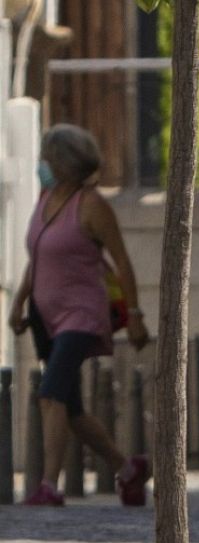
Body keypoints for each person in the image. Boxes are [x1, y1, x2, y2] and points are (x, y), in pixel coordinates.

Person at [7, 124, 150, 507]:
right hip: (44, 315)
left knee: (50, 391)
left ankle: (48, 486)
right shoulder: (45, 198)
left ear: (64, 163)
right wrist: (20, 301)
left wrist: (135, 314)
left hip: (80, 315)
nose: (42, 165)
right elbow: (36, 257)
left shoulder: (91, 206)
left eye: (48, 159)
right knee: (70, 410)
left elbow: (121, 261)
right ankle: (128, 469)